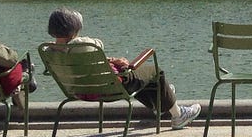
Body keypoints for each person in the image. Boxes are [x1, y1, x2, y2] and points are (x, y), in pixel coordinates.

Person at [44, 7, 200, 129]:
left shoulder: (48, 52)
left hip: (79, 91)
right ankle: (178, 115)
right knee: (155, 72)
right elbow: (98, 44)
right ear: (73, 28)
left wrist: (110, 60)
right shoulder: (83, 46)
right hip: (109, 88)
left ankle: (161, 102)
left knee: (144, 79)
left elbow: (84, 61)